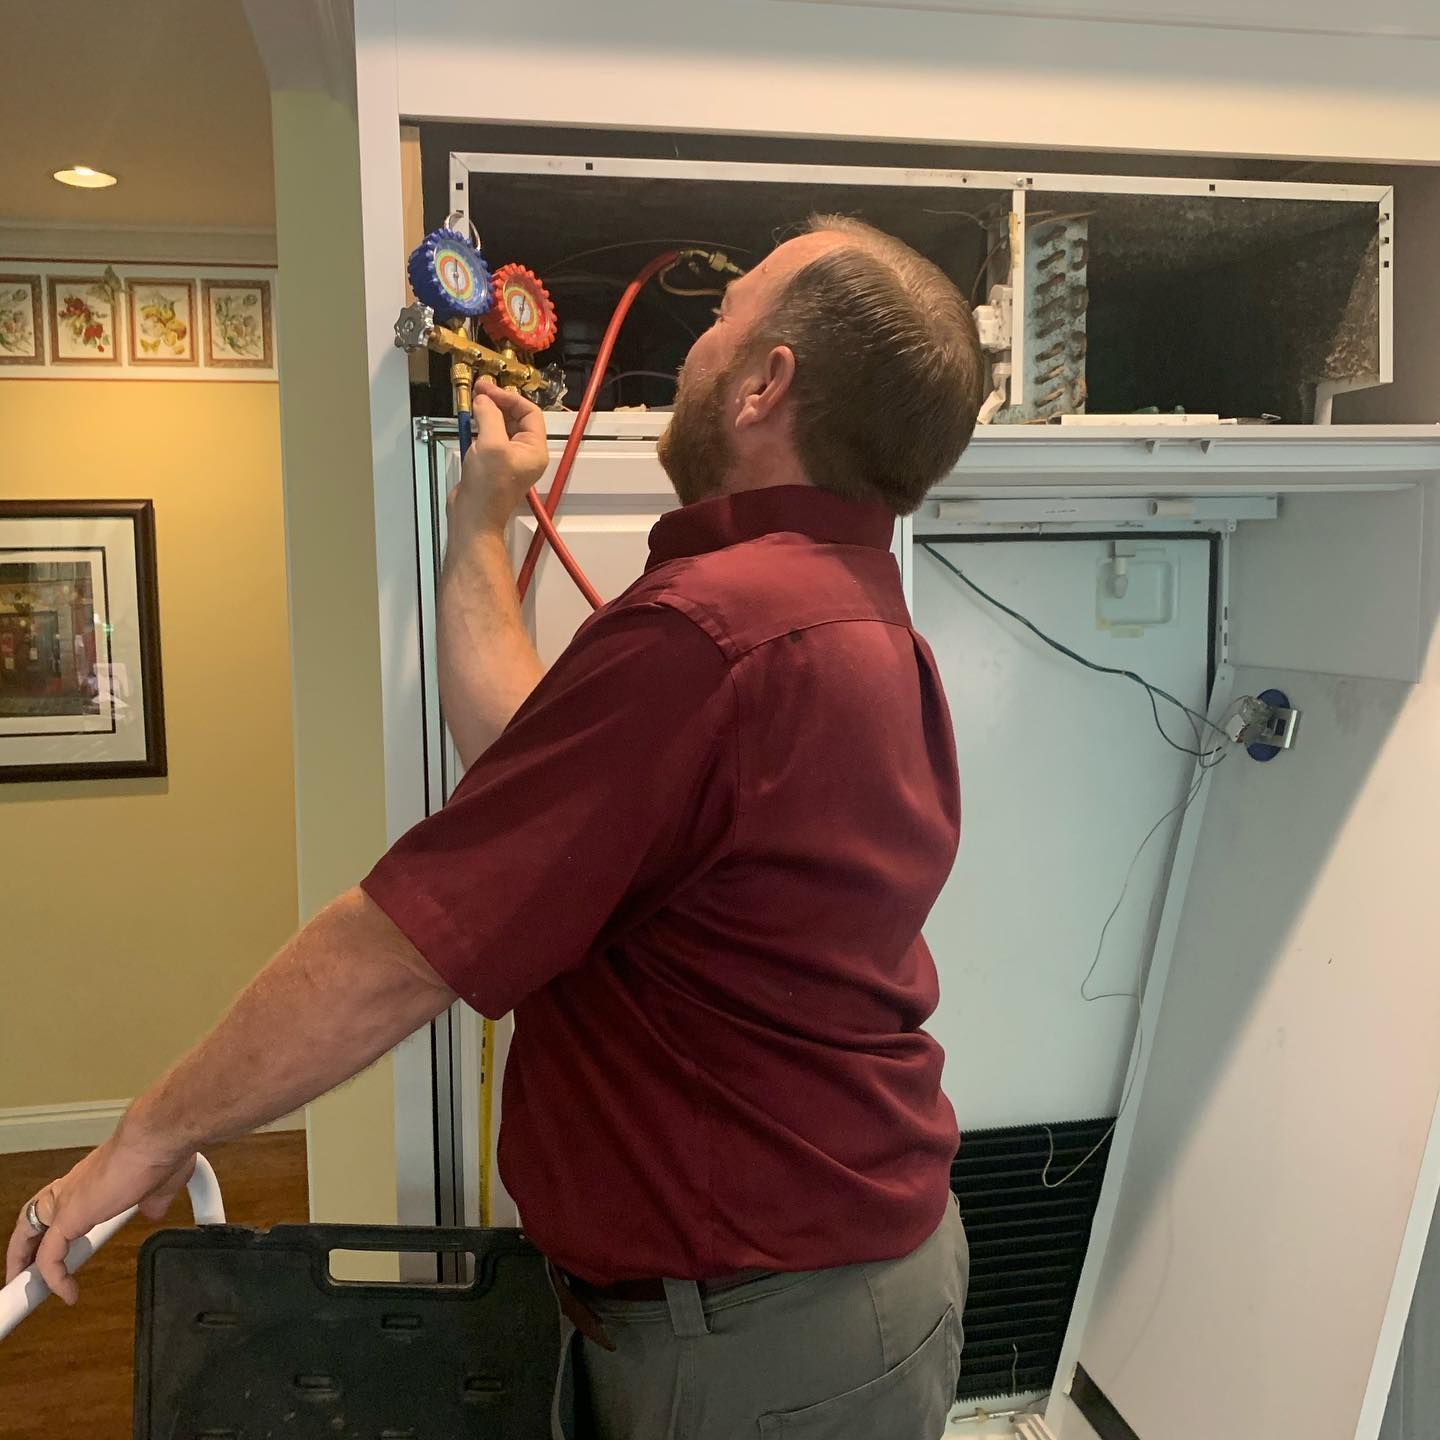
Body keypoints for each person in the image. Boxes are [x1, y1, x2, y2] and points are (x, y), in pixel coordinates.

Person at [7, 215, 984, 1439]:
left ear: (764, 384)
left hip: (758, 1340)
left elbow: (394, 952)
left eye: (723, 324)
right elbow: (533, 775)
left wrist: (147, 1134)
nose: (694, 350)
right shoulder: (844, 618)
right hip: (820, 1296)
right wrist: (483, 520)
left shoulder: (709, 636)